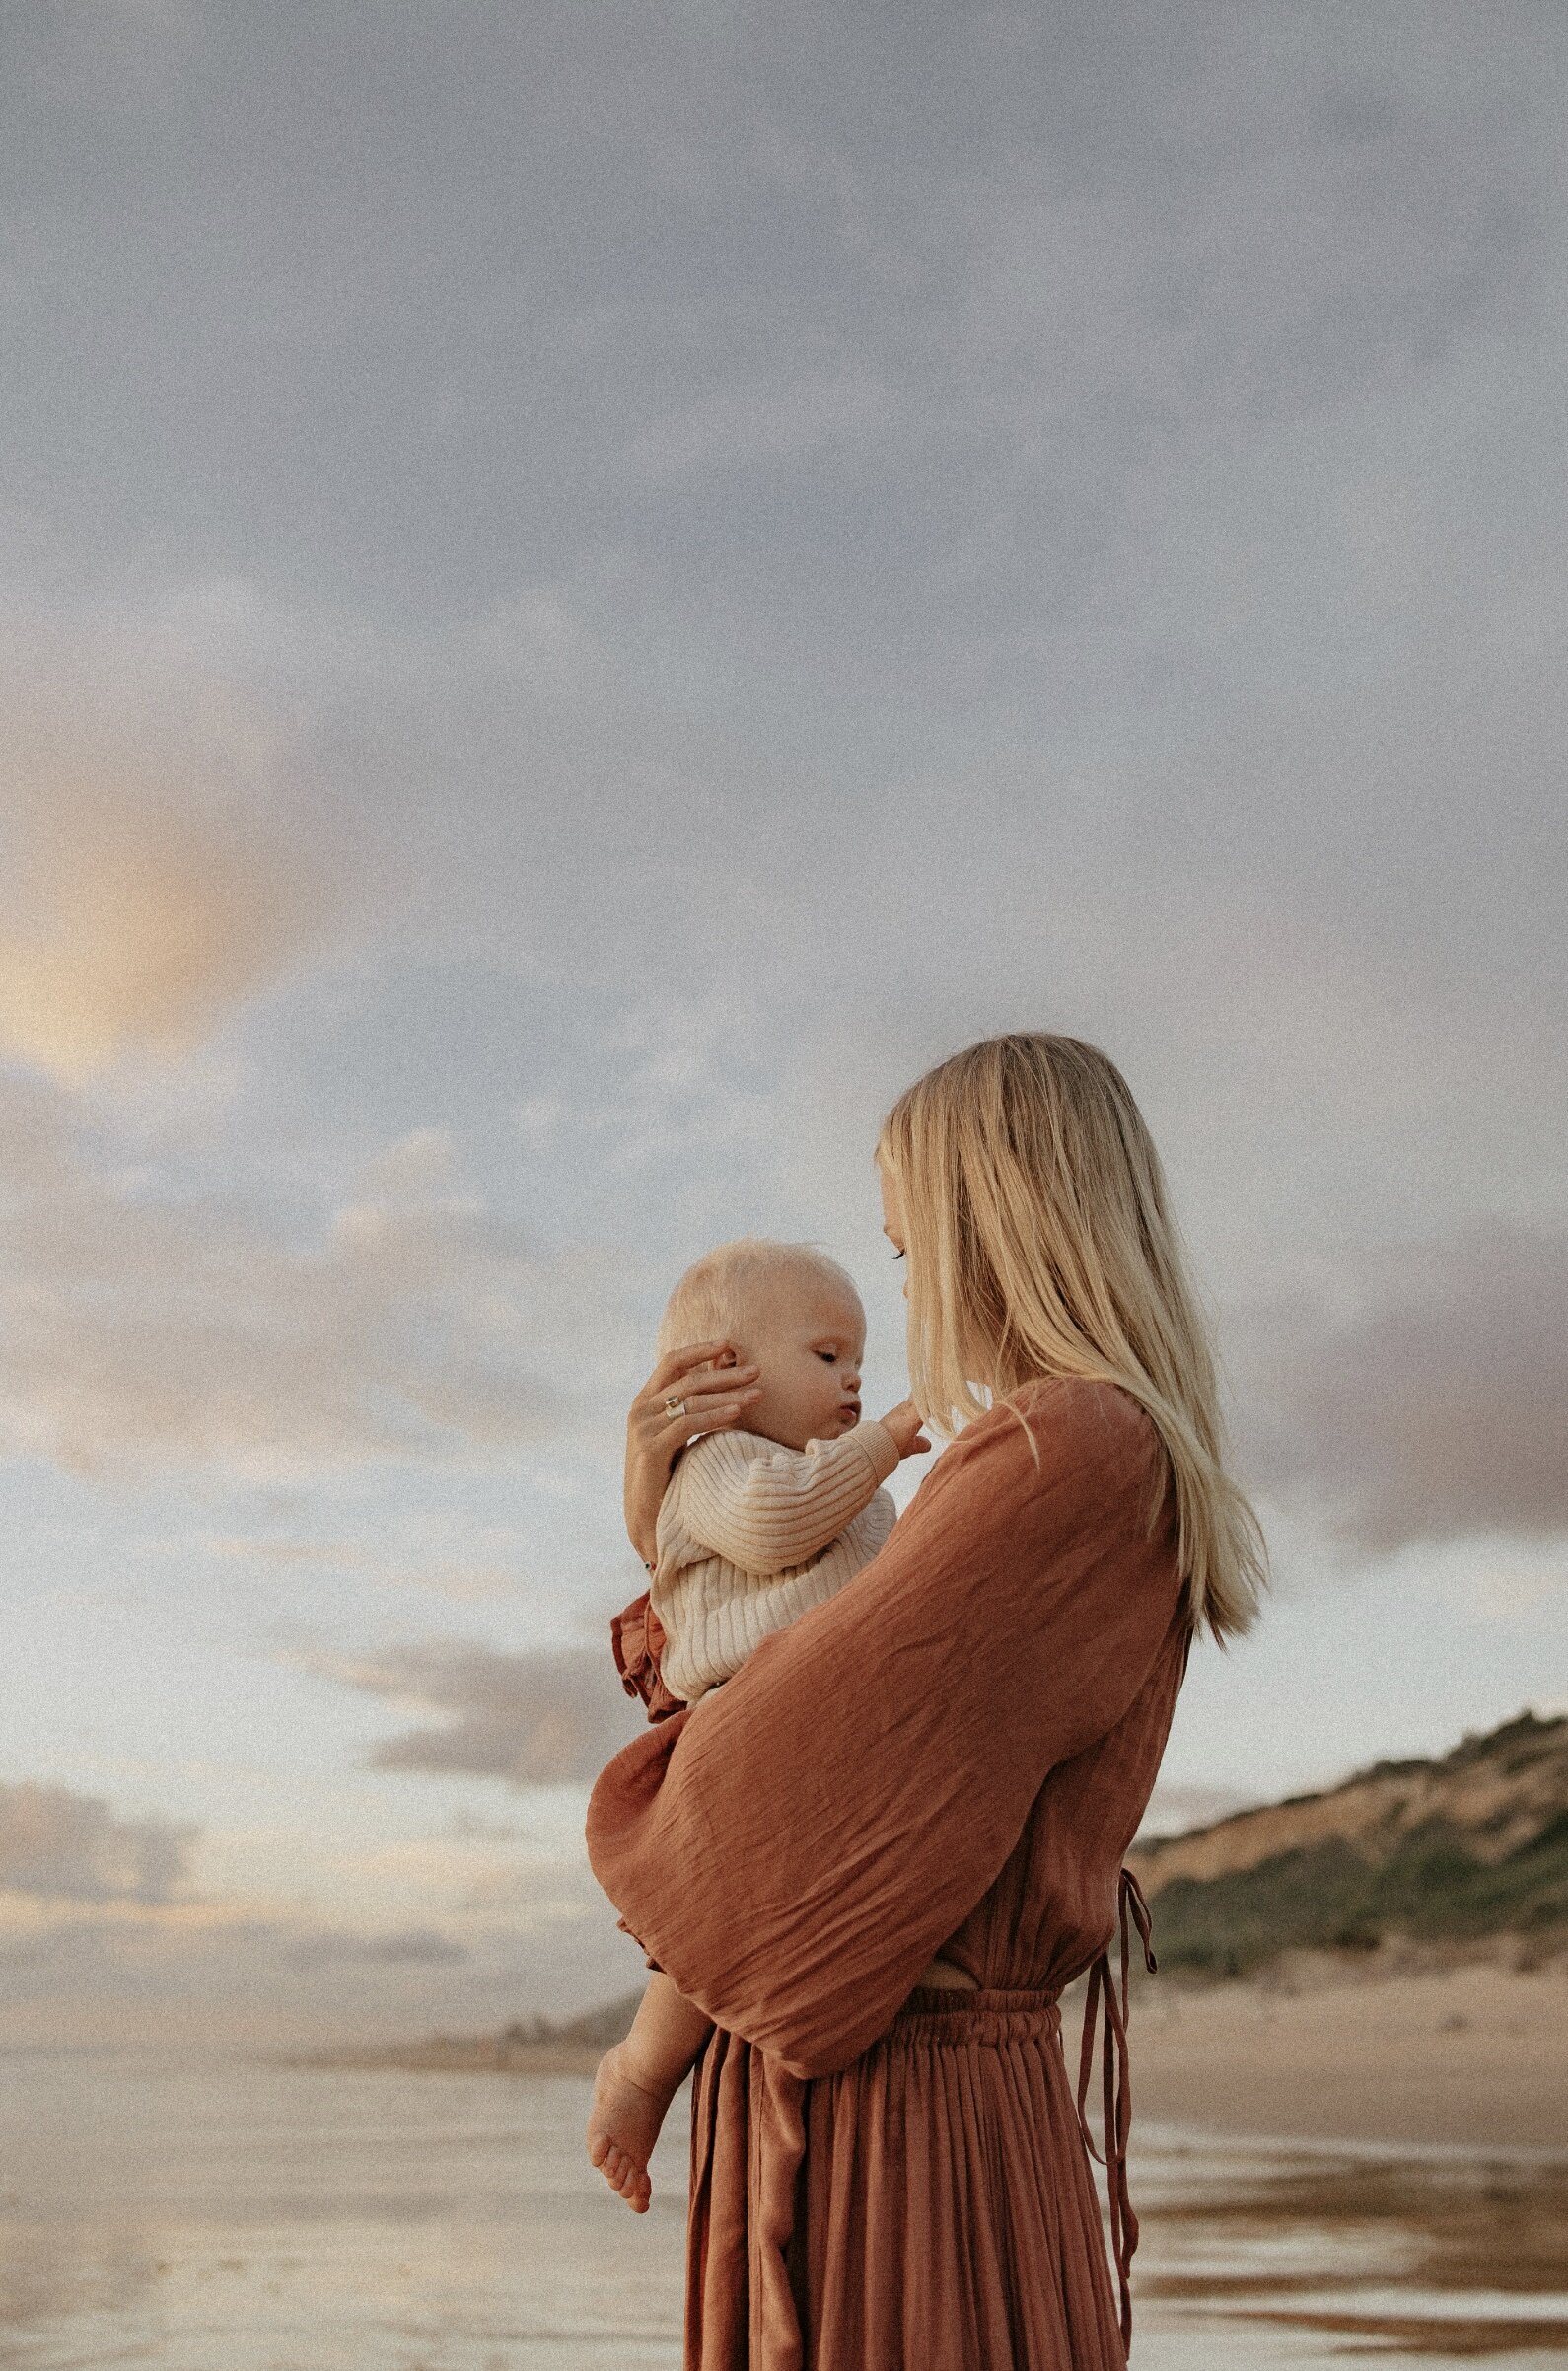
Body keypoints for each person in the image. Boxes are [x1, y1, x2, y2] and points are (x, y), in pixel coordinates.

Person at [587, 1033, 1266, 2369]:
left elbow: (756, 1791)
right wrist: (653, 1504)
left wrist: (670, 1589)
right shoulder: (1074, 1454)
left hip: (902, 2116)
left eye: (906, 1256)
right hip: (922, 2087)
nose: (906, 1303)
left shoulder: (1058, 1451)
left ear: (985, 1231)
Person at [586, 1237, 933, 2211]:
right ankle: (643, 2072)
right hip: (747, 1727)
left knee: (755, 1912)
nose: (856, 1379)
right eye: (827, 1357)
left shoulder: (852, 1487)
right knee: (718, 1909)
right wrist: (893, 1433)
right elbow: (783, 1522)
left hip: (825, 1733)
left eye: (862, 1360)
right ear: (721, 1376)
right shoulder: (719, 1463)